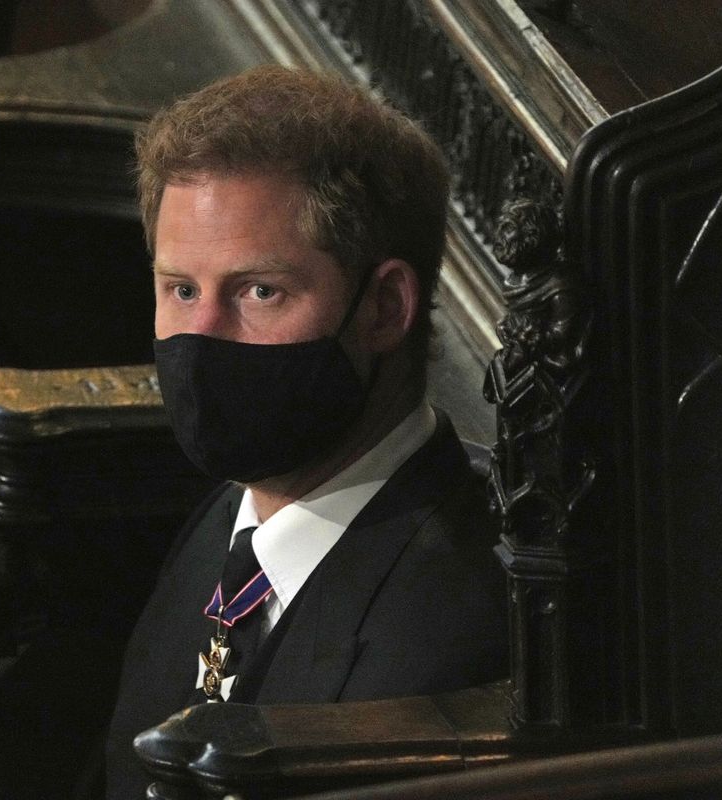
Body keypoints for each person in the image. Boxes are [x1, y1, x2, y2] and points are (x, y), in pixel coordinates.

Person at [105, 65, 508, 797]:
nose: (200, 339)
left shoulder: (443, 641)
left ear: (384, 308)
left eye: (261, 291)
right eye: (181, 290)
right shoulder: (232, 520)